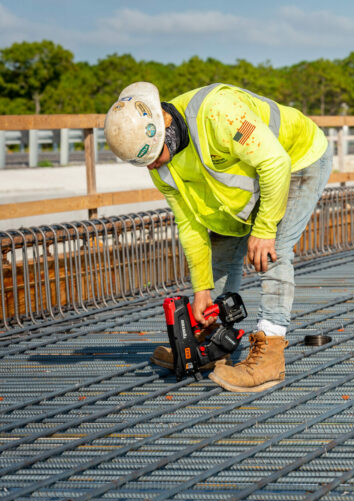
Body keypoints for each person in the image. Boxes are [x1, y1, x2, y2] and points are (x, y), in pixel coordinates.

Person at [104, 82, 332, 392]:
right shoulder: (159, 165)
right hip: (254, 178)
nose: (154, 165)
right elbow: (190, 225)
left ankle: (271, 353)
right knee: (222, 246)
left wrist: (263, 229)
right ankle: (216, 342)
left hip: (295, 160)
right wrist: (202, 292)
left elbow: (274, 162)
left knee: (273, 250)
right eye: (144, 162)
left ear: (165, 124)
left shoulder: (219, 113)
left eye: (155, 155)